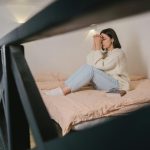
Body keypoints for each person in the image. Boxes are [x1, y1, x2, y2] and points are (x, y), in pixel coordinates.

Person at [45, 28, 130, 96]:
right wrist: (95, 44)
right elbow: (89, 62)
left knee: (90, 69)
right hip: (107, 82)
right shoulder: (105, 53)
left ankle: (63, 92)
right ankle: (63, 86)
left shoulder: (118, 53)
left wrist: (97, 47)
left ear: (112, 39)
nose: (101, 41)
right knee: (86, 66)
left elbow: (101, 65)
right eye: (101, 40)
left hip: (117, 85)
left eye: (103, 39)